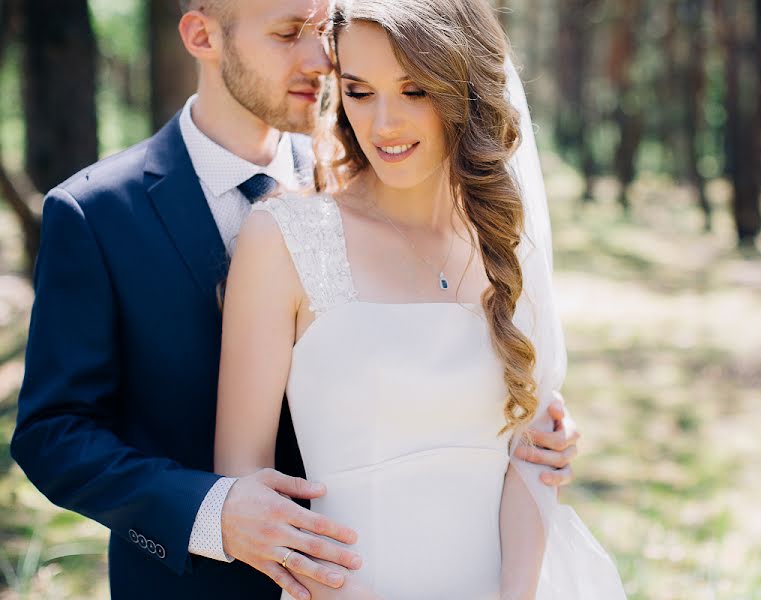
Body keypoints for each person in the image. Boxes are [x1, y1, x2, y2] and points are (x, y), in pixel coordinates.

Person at [9, 1, 581, 599]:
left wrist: (533, 428)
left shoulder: (379, 169)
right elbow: (55, 432)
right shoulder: (98, 214)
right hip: (203, 583)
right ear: (201, 35)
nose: (319, 59)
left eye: (319, 31)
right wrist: (211, 512)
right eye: (288, 35)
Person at [215, 0, 626, 598]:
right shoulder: (283, 240)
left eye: (415, 90)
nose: (384, 124)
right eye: (359, 91)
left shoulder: (507, 243)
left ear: (467, 89)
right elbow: (243, 479)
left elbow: (532, 457)